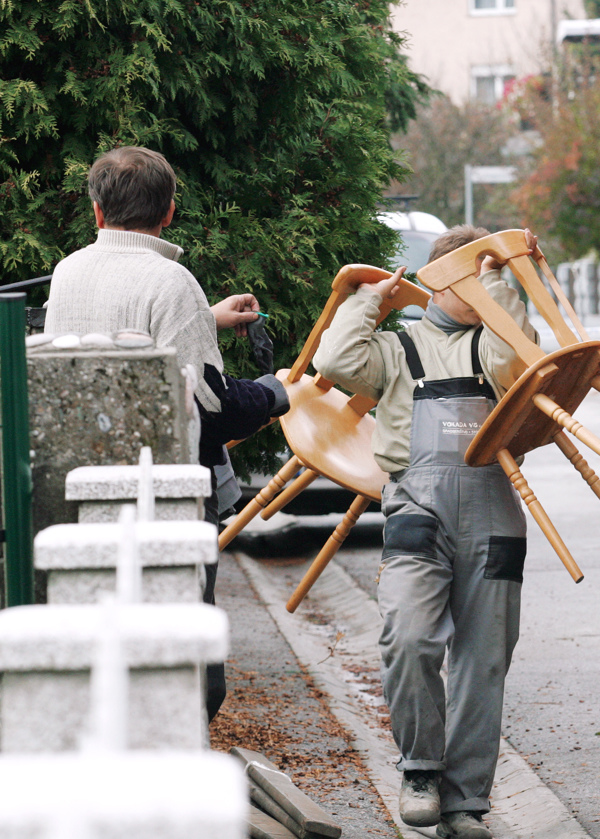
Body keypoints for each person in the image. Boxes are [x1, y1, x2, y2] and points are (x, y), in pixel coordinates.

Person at [43, 145, 288, 721]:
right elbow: (212, 406)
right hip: (163, 499)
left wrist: (204, 318)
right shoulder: (172, 281)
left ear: (97, 211)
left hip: (80, 491)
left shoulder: (67, 271)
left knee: (102, 649)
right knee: (186, 667)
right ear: (170, 211)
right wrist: (273, 392)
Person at [314, 225, 539, 839]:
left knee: (483, 662)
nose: (480, 291)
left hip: (495, 511)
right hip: (416, 506)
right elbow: (334, 363)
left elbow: (516, 361)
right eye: (469, 278)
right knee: (408, 636)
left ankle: (466, 802)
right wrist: (373, 299)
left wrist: (498, 284)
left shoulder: (497, 341)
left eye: (487, 278)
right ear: (438, 281)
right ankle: (420, 770)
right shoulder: (397, 348)